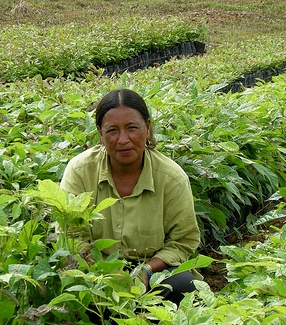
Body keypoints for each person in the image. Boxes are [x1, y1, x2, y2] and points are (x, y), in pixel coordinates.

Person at [60, 88, 200, 305]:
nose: (123, 139)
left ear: (147, 128)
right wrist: (109, 269)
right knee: (70, 290)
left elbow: (183, 240)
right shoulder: (80, 171)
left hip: (153, 270)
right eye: (112, 130)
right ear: (100, 133)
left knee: (183, 285)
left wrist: (146, 270)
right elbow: (69, 236)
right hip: (95, 269)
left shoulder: (171, 178)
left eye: (132, 128)